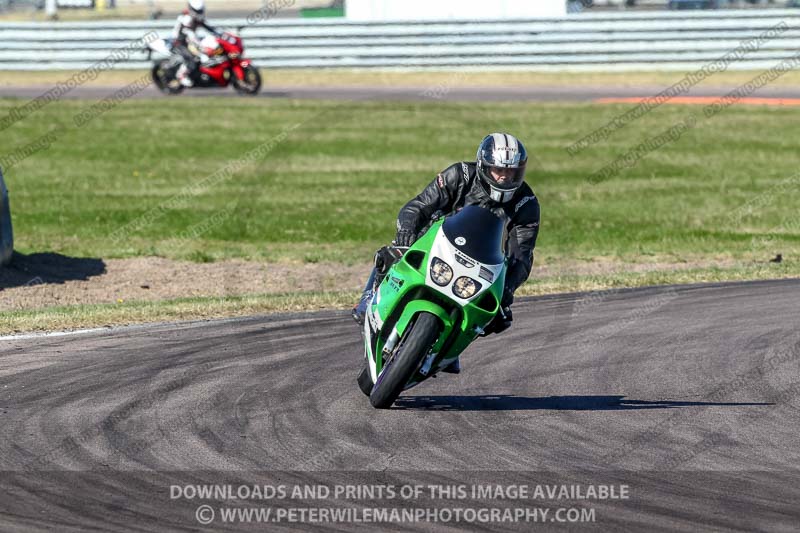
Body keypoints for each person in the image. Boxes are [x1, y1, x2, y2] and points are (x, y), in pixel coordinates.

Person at [352, 133, 541, 374]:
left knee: (495, 316)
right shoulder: (459, 175)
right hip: (435, 241)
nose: (504, 177)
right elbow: (417, 207)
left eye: (511, 172)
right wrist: (406, 234)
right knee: (391, 253)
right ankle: (370, 297)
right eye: (498, 170)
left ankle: (449, 346)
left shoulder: (526, 204)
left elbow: (522, 256)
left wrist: (508, 288)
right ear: (484, 165)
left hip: (478, 264)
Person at [172, 0, 220, 87]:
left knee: (210, 51)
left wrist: (221, 34)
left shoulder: (196, 17)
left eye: (200, 10)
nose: (199, 13)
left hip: (189, 40)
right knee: (192, 58)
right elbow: (190, 34)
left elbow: (209, 27)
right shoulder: (186, 18)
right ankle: (181, 75)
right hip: (180, 42)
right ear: (191, 8)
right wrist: (200, 46)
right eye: (197, 11)